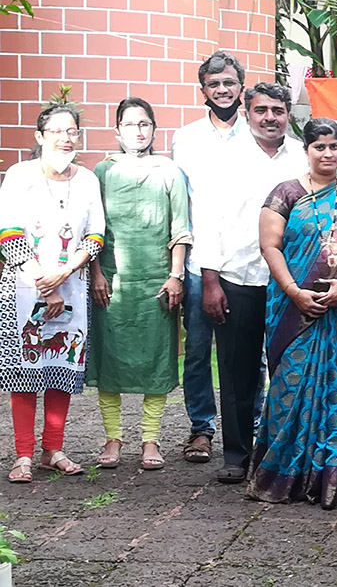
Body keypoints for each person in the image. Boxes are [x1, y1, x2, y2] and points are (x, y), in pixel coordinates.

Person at [248, 118, 337, 509]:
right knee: (289, 388)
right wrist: (294, 291)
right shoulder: (286, 193)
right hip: (292, 306)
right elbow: (269, 246)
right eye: (319, 147)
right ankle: (280, 475)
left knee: (334, 391)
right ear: (305, 150)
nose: (327, 154)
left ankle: (330, 477)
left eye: (334, 146)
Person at [193, 82, 305, 483]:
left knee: (291, 370)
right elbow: (206, 221)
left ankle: (284, 452)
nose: (270, 117)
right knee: (238, 373)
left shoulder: (302, 157)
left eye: (277, 110)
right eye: (261, 110)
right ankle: (237, 455)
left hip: (292, 283)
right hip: (237, 278)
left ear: (288, 114)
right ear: (247, 113)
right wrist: (210, 281)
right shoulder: (224, 159)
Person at [0, 104, 105, 483]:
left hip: (72, 286)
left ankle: (53, 449)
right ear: (40, 137)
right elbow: (9, 233)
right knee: (23, 373)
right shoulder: (19, 176)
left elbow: (95, 236)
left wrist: (64, 274)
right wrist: (45, 283)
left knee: (61, 369)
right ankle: (24, 454)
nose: (66, 138)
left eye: (72, 131)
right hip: (24, 287)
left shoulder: (88, 180)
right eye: (57, 131)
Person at [87, 98, 192, 471]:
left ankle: (150, 439)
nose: (138, 131)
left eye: (145, 124)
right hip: (111, 281)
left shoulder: (168, 171)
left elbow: (180, 227)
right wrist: (95, 273)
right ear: (117, 131)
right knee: (109, 360)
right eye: (130, 124)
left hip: (158, 282)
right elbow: (93, 229)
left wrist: (175, 275)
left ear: (153, 129)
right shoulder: (101, 172)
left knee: (156, 362)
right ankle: (112, 438)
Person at [172, 51, 250, 465]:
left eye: (229, 83)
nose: (222, 90)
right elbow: (179, 205)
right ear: (202, 89)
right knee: (199, 349)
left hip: (248, 260)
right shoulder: (186, 138)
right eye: (214, 83)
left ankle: (251, 425)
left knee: (247, 351)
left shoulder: (257, 132)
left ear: (241, 86)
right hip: (199, 260)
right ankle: (201, 428)